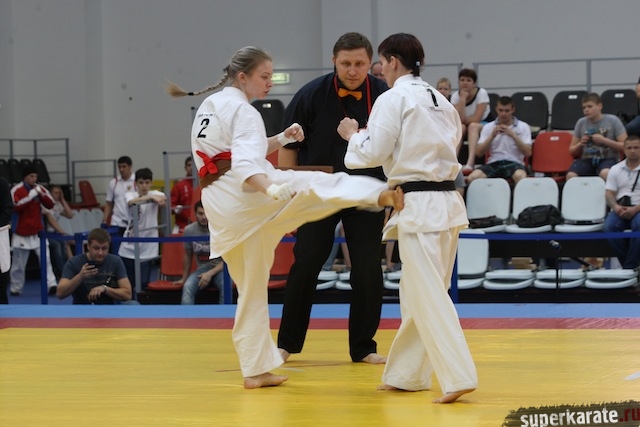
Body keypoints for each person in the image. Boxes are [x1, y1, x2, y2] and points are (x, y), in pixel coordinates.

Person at [166, 45, 403, 389]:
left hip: (221, 206)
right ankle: (377, 194)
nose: (270, 83)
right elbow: (245, 165)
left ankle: (256, 370)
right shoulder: (245, 111)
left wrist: (280, 139)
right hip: (245, 195)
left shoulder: (211, 105)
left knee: (250, 289)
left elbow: (238, 151)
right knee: (315, 183)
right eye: (264, 76)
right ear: (243, 77)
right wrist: (271, 188)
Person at [337, 33, 477, 403]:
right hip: (447, 202)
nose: (379, 70)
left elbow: (372, 153)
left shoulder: (392, 98)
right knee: (417, 291)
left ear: (393, 62)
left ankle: (458, 376)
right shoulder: (442, 101)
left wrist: (353, 135)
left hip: (419, 204)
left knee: (428, 294)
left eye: (381, 63)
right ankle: (407, 375)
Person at [276, 32, 390, 365]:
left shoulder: (385, 96)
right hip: (318, 190)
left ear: (371, 63)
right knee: (306, 264)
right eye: (345, 63)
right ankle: (286, 344)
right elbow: (288, 148)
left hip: (367, 189)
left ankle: (364, 347)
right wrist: (289, 195)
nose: (352, 70)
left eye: (359, 64)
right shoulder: (310, 95)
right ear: (333, 61)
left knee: (368, 269)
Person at [9, 164, 58, 296]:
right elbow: (15, 206)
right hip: (21, 232)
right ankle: (16, 288)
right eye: (31, 176)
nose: (34, 179)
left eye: (35, 176)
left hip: (38, 232)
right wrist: (30, 196)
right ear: (25, 177)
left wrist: (42, 195)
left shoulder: (39, 188)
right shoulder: (16, 190)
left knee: (46, 260)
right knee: (18, 264)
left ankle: (51, 284)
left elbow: (51, 204)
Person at [118, 167, 166, 292]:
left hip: (147, 247)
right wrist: (150, 199)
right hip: (129, 245)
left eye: (147, 182)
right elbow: (131, 202)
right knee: (129, 284)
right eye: (141, 182)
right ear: (136, 184)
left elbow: (163, 198)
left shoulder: (156, 194)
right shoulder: (130, 194)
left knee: (144, 283)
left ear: (151, 183)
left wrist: (152, 197)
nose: (144, 186)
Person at [56, 227, 135, 304]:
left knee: (132, 304)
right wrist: (80, 276)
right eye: (96, 248)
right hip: (82, 308)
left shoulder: (115, 261)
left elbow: (127, 294)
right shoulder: (74, 262)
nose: (100, 253)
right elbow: (60, 293)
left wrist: (105, 289)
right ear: (88, 246)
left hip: (109, 308)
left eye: (104, 248)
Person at [466, 96, 532, 184]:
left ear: (513, 109)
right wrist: (492, 136)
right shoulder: (488, 127)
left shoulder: (523, 126)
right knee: (472, 178)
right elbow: (479, 153)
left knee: (521, 177)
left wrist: (514, 136)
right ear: (496, 109)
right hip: (494, 162)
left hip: (514, 162)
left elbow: (528, 153)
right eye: (501, 110)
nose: (503, 114)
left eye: (507, 111)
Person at [567, 92, 628, 181]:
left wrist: (604, 141)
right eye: (584, 107)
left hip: (608, 159)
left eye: (590, 106)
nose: (586, 110)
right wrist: (580, 144)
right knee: (571, 175)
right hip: (587, 160)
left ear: (599, 106)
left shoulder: (613, 120)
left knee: (606, 173)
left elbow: (625, 146)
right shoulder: (581, 123)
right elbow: (572, 151)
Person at [176, 200, 224, 304]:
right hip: (201, 269)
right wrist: (184, 278)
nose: (204, 217)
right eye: (200, 213)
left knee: (225, 285)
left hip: (220, 269)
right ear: (195, 214)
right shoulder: (189, 230)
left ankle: (224, 314)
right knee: (187, 287)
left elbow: (228, 260)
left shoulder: (221, 229)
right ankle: (186, 315)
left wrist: (209, 274)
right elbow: (188, 255)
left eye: (207, 213)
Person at [603, 135, 640, 269]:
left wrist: (635, 209)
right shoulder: (615, 169)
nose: (633, 151)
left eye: (636, 147)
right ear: (624, 150)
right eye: (629, 148)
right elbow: (609, 194)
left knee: (639, 226)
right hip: (620, 207)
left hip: (638, 208)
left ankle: (628, 268)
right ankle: (631, 266)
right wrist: (616, 207)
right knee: (609, 227)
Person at [450, 68, 490, 173]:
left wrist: (465, 119)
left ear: (474, 83)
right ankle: (453, 161)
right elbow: (459, 120)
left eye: (468, 80)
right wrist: (462, 99)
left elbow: (477, 119)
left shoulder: (482, 93)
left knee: (473, 126)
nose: (465, 83)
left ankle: (470, 163)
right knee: (461, 127)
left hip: (484, 123)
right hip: (466, 124)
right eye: (462, 80)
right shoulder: (455, 96)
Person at [43, 184, 74, 277]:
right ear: (50, 193)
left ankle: (71, 268)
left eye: (59, 193)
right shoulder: (45, 205)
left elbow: (70, 215)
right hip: (46, 233)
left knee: (65, 243)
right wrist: (62, 233)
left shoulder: (57, 205)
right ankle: (62, 270)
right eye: (56, 193)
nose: (58, 195)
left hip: (55, 233)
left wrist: (63, 200)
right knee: (58, 245)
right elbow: (51, 221)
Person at [103, 156, 136, 237]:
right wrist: (104, 220)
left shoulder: (137, 181)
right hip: (116, 222)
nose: (121, 169)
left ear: (130, 167)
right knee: (115, 244)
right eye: (119, 167)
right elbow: (108, 203)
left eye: (124, 166)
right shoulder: (113, 182)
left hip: (133, 222)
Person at [170, 155, 194, 233]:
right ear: (185, 168)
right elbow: (170, 206)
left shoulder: (204, 184)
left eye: (194, 165)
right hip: (182, 226)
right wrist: (176, 209)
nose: (192, 167)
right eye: (189, 165)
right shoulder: (179, 186)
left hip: (201, 226)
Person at [0, 176, 13, 304]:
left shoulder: (2, 183)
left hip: (0, 231)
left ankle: (2, 306)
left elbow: (8, 208)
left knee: (2, 269)